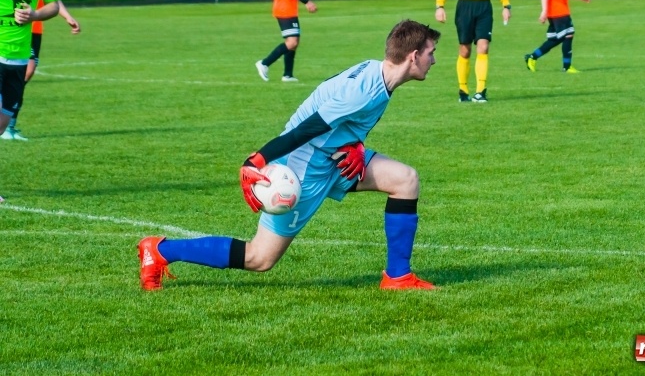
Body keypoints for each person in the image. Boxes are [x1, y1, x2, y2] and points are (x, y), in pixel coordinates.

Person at [138, 20, 441, 291]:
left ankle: (398, 277)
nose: (434, 60)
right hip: (305, 165)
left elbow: (328, 97)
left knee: (405, 179)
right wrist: (257, 160)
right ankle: (161, 250)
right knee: (260, 258)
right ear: (413, 55)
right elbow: (304, 130)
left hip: (335, 157)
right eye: (430, 52)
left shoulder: (377, 71)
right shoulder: (364, 90)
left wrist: (356, 145)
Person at [2, 0, 81, 141]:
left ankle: (10, 126)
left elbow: (53, 3)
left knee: (1, 122)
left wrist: (37, 14)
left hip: (22, 44)